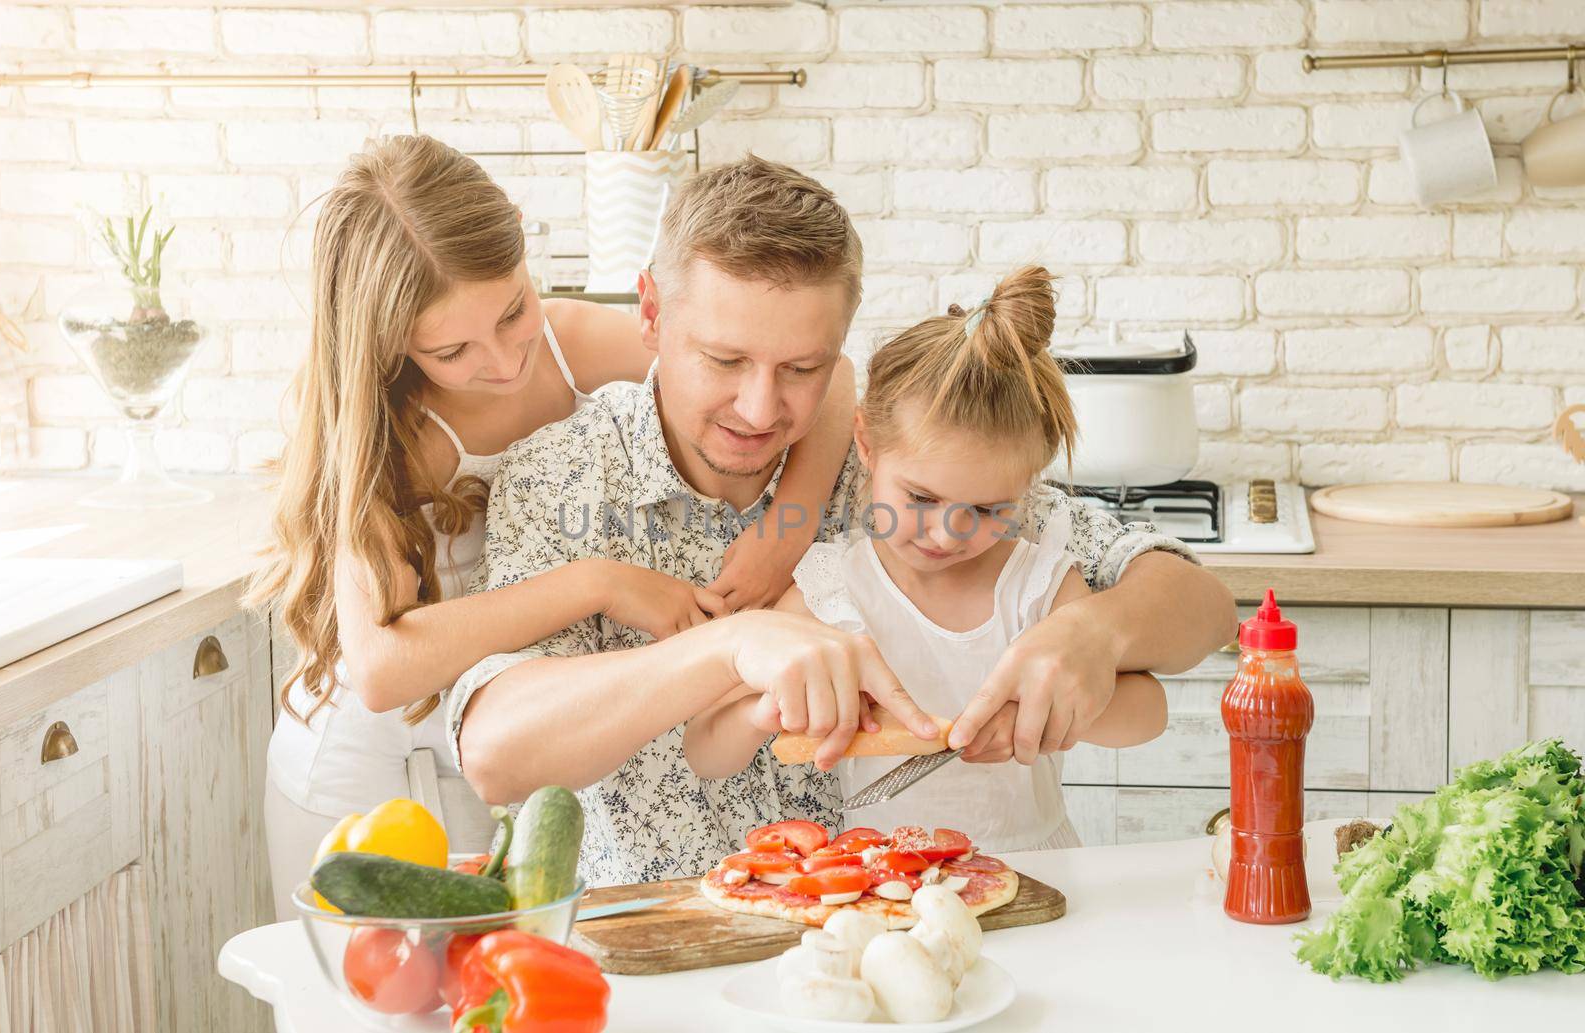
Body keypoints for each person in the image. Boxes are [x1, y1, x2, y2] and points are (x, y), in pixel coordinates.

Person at [446, 155, 1238, 885]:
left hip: (898, 935)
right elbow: (494, 755)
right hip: (661, 940)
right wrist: (729, 647)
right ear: (650, 313)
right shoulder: (564, 475)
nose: (761, 410)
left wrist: (1095, 634)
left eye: (802, 368)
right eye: (724, 361)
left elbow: (1199, 608)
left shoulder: (906, 469)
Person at [245, 137, 856, 919]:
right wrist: (593, 583)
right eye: (452, 348)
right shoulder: (369, 429)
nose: (503, 360)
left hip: (487, 743)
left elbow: (827, 374)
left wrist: (785, 531)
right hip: (365, 761)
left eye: (512, 310)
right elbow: (383, 670)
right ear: (388, 337)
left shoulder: (566, 344)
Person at [684, 266, 1169, 852]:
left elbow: (1151, 715)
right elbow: (705, 752)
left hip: (1039, 872)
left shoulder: (1038, 586)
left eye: (990, 509)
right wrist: (769, 709)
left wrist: (1054, 711)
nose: (947, 533)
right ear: (866, 443)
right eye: (922, 498)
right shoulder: (833, 589)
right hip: (878, 881)